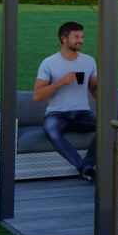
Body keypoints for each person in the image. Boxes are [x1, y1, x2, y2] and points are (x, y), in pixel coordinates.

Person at [35, 21, 99, 180]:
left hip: (83, 114)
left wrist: (104, 87)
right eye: (76, 36)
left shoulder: (89, 61)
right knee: (50, 129)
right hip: (57, 115)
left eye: (82, 36)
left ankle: (86, 166)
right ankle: (84, 167)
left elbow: (95, 90)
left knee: (110, 127)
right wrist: (60, 82)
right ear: (64, 38)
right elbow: (37, 96)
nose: (81, 40)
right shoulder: (49, 63)